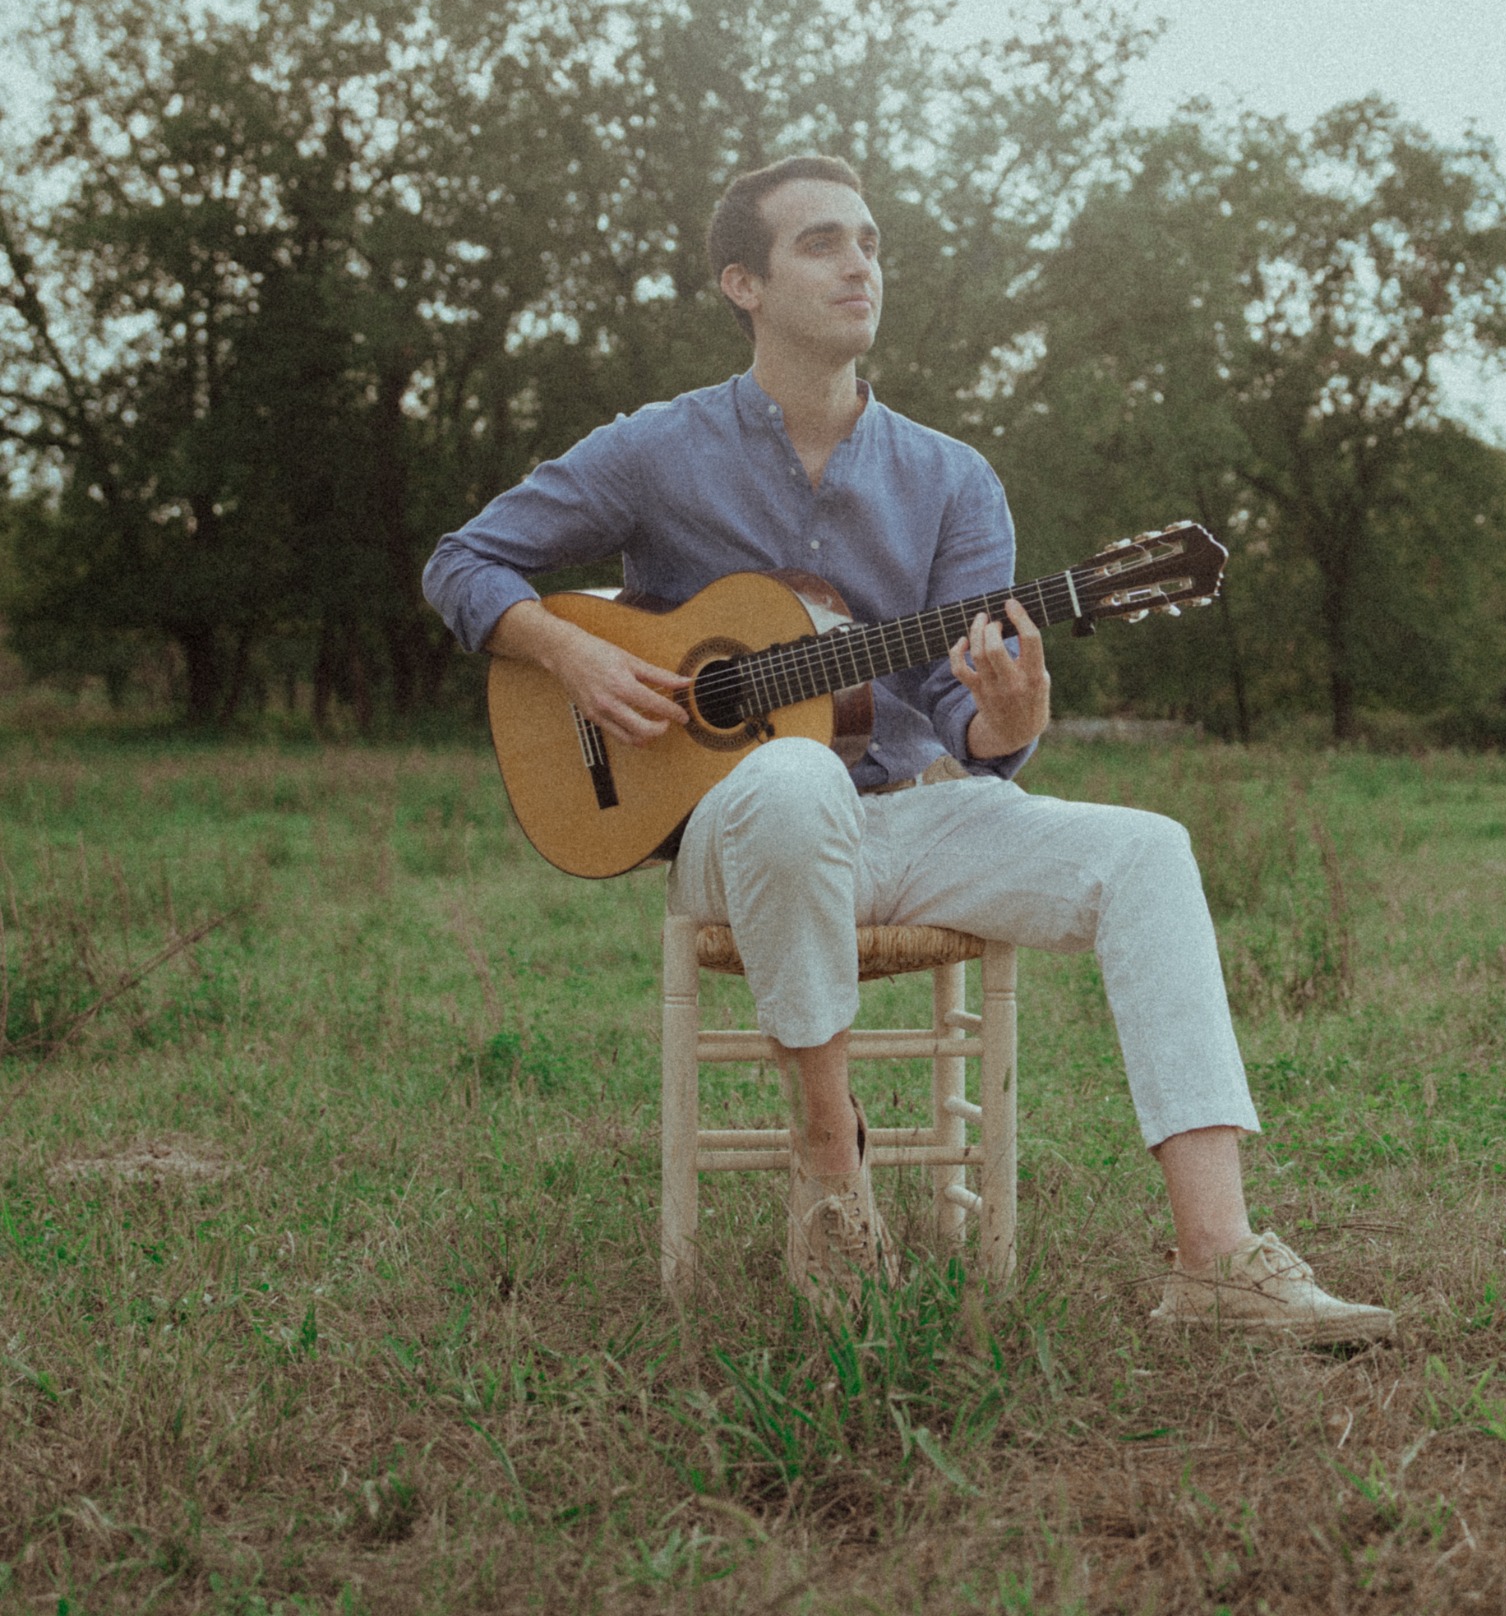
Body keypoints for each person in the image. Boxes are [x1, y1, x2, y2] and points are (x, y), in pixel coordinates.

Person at [423, 155, 1394, 1344]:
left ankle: (1217, 1262)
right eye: (824, 242)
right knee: (787, 773)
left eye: (872, 241)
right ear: (743, 282)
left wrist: (1012, 721)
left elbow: (965, 714)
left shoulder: (952, 478)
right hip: (739, 836)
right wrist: (571, 657)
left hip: (908, 815)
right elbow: (460, 562)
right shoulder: (655, 450)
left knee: (1150, 850)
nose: (860, 263)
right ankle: (835, 1181)